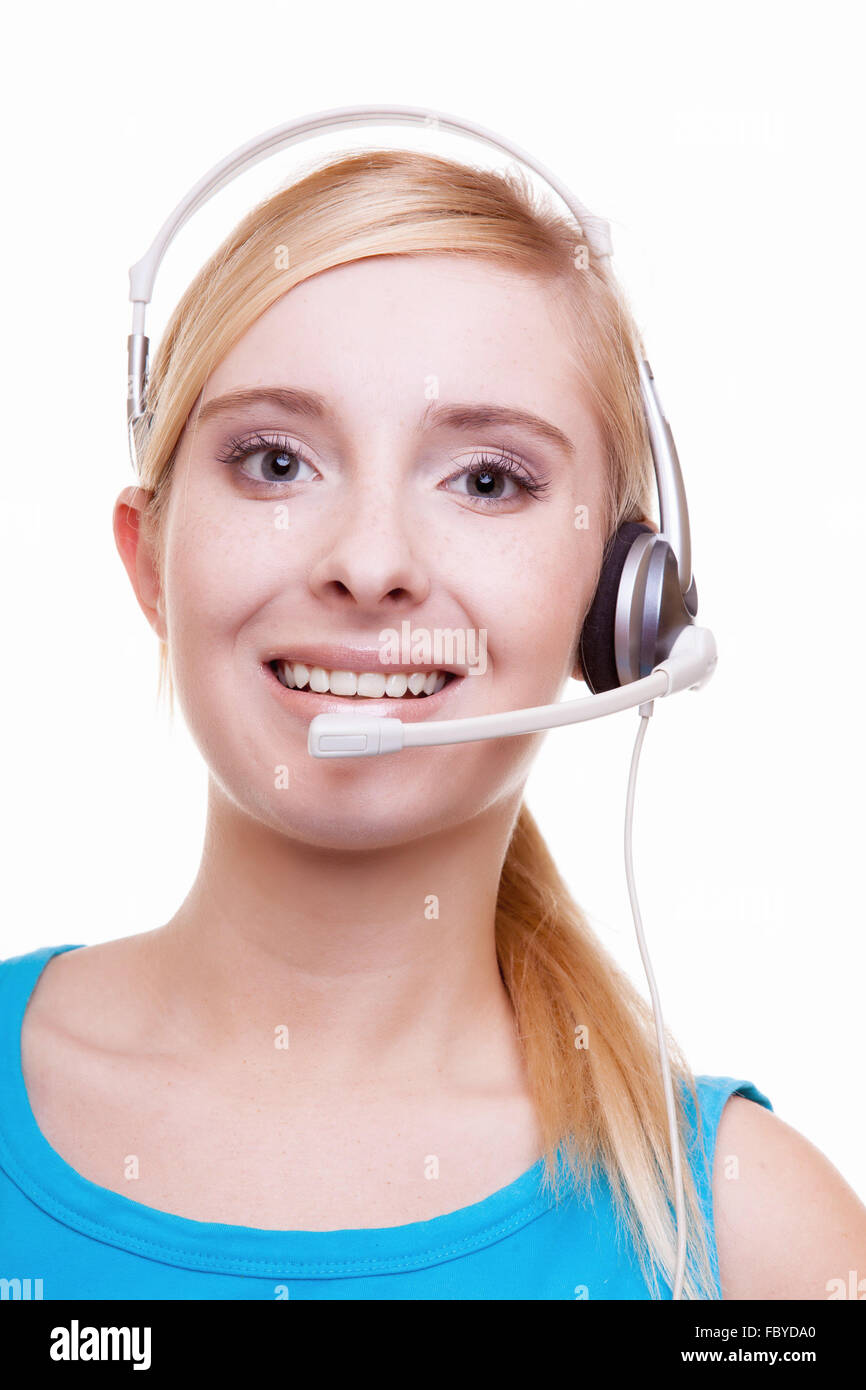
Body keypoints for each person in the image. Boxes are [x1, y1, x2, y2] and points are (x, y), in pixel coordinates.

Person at [2, 149, 864, 1300]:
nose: (370, 564)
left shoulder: (754, 1241)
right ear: (151, 560)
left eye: (487, 481)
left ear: (619, 601)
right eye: (274, 460)